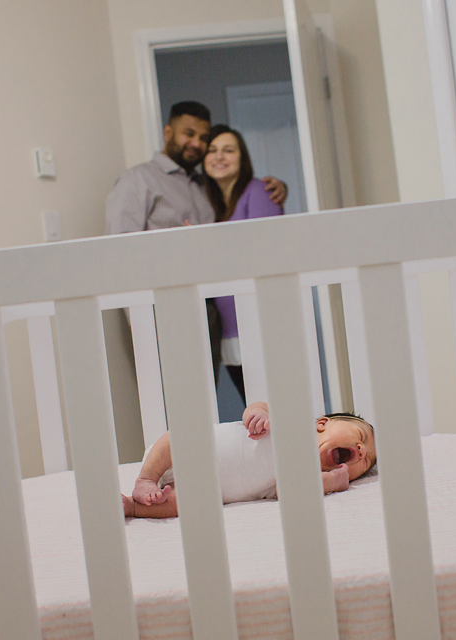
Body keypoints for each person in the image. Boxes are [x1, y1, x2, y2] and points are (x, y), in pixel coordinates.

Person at [104, 102, 286, 382]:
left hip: (212, 314)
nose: (197, 144)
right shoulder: (139, 180)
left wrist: (278, 187)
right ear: (168, 133)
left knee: (209, 396)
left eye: (203, 138)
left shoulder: (204, 186)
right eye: (188, 134)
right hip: (166, 312)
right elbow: (120, 252)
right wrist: (141, 323)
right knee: (176, 397)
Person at [122, 403, 377, 519]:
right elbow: (257, 406)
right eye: (360, 436)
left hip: (205, 489)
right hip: (189, 451)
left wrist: (331, 482)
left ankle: (134, 508)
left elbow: (286, 491)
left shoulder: (308, 477)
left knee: (195, 504)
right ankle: (147, 477)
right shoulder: (290, 425)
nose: (361, 450)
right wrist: (258, 413)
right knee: (181, 436)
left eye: (365, 462)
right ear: (322, 424)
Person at [202, 124, 285, 402]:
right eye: (212, 150)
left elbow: (266, 255)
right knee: (254, 408)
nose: (219, 156)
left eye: (228, 150)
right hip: (229, 327)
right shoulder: (209, 203)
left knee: (275, 406)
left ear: (242, 157)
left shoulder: (260, 191)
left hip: (259, 322)